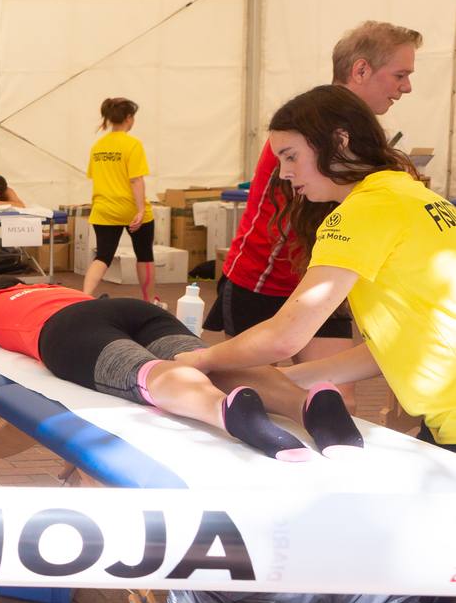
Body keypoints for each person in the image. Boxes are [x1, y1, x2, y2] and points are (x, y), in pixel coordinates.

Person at [178, 84, 456, 451]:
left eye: (291, 156)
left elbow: (287, 335)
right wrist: (290, 379)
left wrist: (202, 359)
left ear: (339, 141)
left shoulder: (363, 211)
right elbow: (401, 344)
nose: (283, 173)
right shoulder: (416, 198)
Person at [0, 278, 361, 459]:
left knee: (146, 373)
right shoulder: (51, 285)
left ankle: (223, 411)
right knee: (205, 359)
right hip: (126, 307)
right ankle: (306, 404)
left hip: (66, 331)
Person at [216, 21, 421, 375]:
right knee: (257, 387)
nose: (407, 87)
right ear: (361, 70)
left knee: (334, 396)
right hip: (269, 279)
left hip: (325, 277)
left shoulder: (368, 167)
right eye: (399, 75)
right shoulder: (305, 130)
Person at [80, 98, 155, 301]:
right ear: (129, 118)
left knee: (103, 256)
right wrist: (140, 210)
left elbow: (95, 176)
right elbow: (135, 180)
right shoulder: (133, 144)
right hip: (130, 208)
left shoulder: (98, 146)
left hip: (104, 209)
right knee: (145, 254)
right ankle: (149, 300)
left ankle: (84, 297)